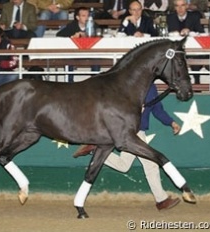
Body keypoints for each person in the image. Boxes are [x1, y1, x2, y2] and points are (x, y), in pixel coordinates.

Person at [73, 83, 182, 211]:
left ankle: (95, 150)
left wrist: (171, 122)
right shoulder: (128, 82)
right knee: (151, 164)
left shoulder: (151, 88)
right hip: (128, 130)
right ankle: (161, 200)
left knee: (123, 165)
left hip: (138, 130)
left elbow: (157, 109)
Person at [56, 7, 100, 83]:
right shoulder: (72, 26)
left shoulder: (94, 25)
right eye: (83, 16)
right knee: (68, 59)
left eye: (88, 15)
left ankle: (95, 83)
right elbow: (59, 35)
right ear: (77, 17)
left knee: (97, 59)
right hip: (75, 53)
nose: (86, 18)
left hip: (91, 53)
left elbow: (100, 36)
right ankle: (69, 83)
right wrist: (72, 36)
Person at [167, 0, 204, 84]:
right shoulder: (170, 17)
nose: (180, 8)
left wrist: (190, 31)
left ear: (187, 6)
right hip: (176, 49)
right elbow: (169, 33)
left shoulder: (194, 16)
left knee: (196, 58)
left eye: (182, 5)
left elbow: (201, 32)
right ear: (174, 7)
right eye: (177, 6)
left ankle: (197, 83)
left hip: (192, 49)